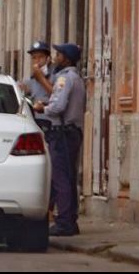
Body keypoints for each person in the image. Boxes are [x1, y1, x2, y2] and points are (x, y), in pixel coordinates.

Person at [33, 43, 86, 237]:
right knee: (70, 177)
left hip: (62, 132)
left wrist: (42, 108)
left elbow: (58, 107)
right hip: (73, 132)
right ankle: (71, 219)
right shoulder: (78, 78)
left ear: (66, 58)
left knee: (60, 179)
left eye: (58, 54)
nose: (55, 57)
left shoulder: (64, 78)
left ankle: (64, 222)